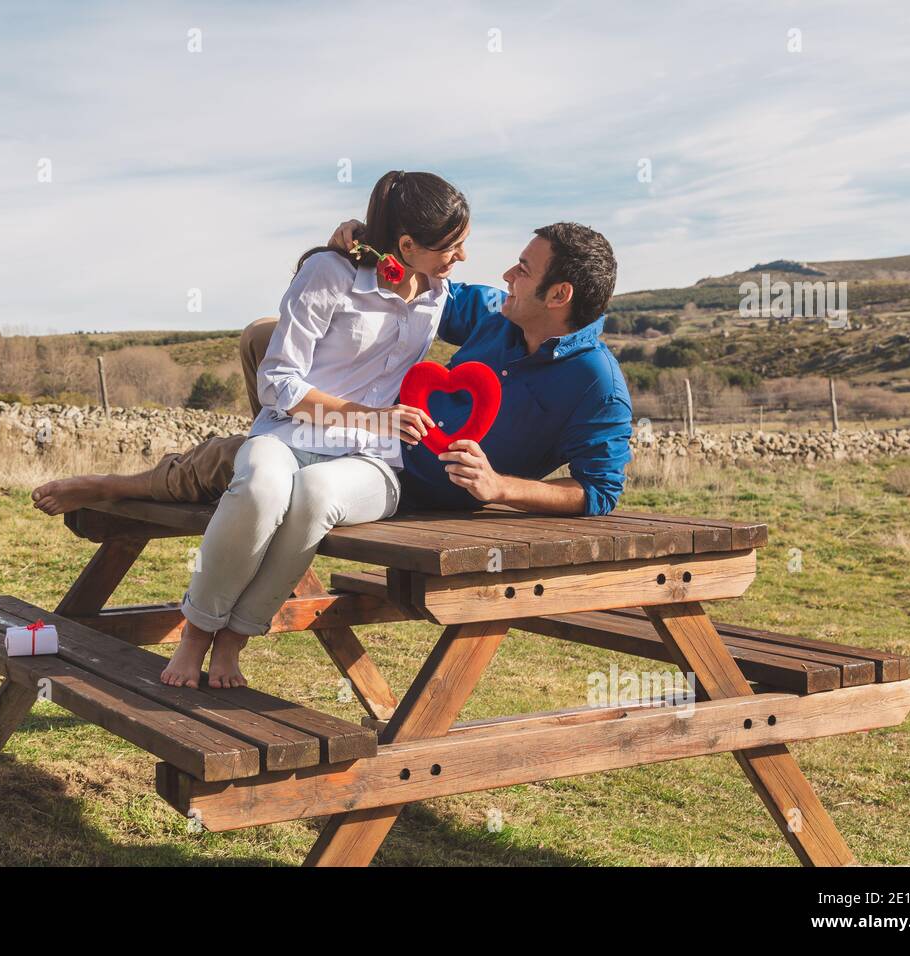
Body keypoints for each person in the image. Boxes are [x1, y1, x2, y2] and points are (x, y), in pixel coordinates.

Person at [34, 215, 633, 681]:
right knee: (265, 344)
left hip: (399, 480)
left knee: (237, 462)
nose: (507, 275)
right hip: (364, 429)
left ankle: (122, 484)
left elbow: (599, 491)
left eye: (523, 270)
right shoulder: (494, 315)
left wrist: (501, 487)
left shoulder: (597, 385)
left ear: (560, 295)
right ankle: (272, 438)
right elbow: (406, 280)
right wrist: (359, 246)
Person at [37, 171, 470, 689]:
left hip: (374, 461)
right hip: (291, 434)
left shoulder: (439, 293)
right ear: (406, 244)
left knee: (313, 496)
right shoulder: (328, 274)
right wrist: (369, 414)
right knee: (260, 485)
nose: (462, 255)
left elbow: (515, 308)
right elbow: (278, 384)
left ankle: (235, 640)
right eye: (453, 245)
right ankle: (196, 633)